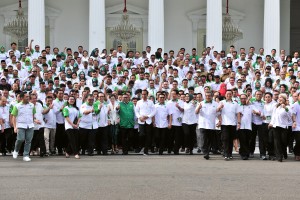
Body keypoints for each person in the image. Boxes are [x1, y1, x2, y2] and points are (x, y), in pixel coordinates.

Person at [11, 92, 39, 162]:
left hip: (30, 125)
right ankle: (16, 150)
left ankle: (26, 155)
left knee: (28, 141)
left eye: (28, 96)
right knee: (20, 139)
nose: (28, 98)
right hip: (20, 125)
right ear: (22, 98)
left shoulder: (32, 105)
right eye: (26, 97)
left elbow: (33, 115)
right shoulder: (17, 106)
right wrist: (15, 127)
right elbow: (14, 117)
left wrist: (35, 120)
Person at [195, 91, 220, 159]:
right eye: (206, 96)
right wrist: (199, 108)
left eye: (209, 96)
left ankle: (207, 152)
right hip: (203, 124)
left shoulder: (215, 104)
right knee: (203, 139)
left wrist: (220, 121)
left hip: (211, 125)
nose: (208, 97)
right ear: (205, 96)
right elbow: (196, 112)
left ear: (212, 96)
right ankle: (205, 152)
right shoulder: (201, 103)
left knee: (209, 140)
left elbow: (218, 114)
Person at [269, 94, 291, 162]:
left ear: (284, 99)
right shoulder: (276, 107)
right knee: (277, 141)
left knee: (283, 141)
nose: (280, 99)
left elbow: (290, 117)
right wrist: (271, 123)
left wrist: (285, 108)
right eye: (279, 98)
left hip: (284, 126)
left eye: (281, 97)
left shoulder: (288, 107)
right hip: (276, 126)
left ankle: (284, 152)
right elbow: (273, 116)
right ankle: (279, 156)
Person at [217, 90, 238, 160]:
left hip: (233, 124)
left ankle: (230, 153)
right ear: (225, 95)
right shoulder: (221, 102)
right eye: (227, 94)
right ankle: (226, 153)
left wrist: (238, 123)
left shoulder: (235, 103)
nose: (229, 95)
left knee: (231, 139)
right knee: (225, 139)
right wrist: (220, 108)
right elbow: (217, 111)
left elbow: (237, 113)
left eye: (230, 94)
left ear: (232, 95)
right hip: (224, 123)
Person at [135, 89, 155, 155]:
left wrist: (148, 116)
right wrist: (139, 117)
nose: (143, 95)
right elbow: (136, 111)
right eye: (142, 94)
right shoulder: (139, 102)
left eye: (145, 94)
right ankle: (142, 146)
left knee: (148, 136)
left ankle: (146, 150)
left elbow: (154, 111)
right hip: (141, 121)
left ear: (147, 95)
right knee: (141, 135)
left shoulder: (150, 102)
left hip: (148, 121)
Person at [237, 94, 254, 160]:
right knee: (242, 140)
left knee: (247, 140)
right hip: (240, 126)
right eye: (242, 98)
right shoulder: (237, 106)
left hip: (248, 126)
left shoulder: (250, 106)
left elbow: (257, 112)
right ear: (240, 99)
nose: (243, 100)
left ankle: (244, 152)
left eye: (244, 98)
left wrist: (258, 113)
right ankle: (244, 154)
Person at [292, 92, 300, 161]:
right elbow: (293, 114)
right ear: (298, 97)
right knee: (298, 141)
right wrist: (294, 122)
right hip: (297, 126)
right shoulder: (296, 105)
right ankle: (297, 153)